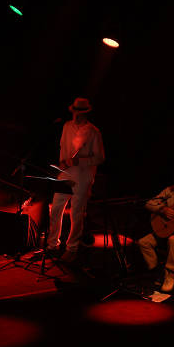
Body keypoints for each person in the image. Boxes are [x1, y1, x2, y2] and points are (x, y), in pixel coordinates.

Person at [44, 97, 105, 262]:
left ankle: (72, 247)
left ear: (86, 113)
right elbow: (63, 148)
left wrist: (79, 161)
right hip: (65, 174)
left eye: (80, 112)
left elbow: (99, 158)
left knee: (77, 213)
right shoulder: (66, 126)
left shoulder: (93, 132)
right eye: (75, 112)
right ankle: (52, 245)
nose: (77, 115)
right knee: (55, 208)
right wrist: (62, 164)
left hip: (83, 177)